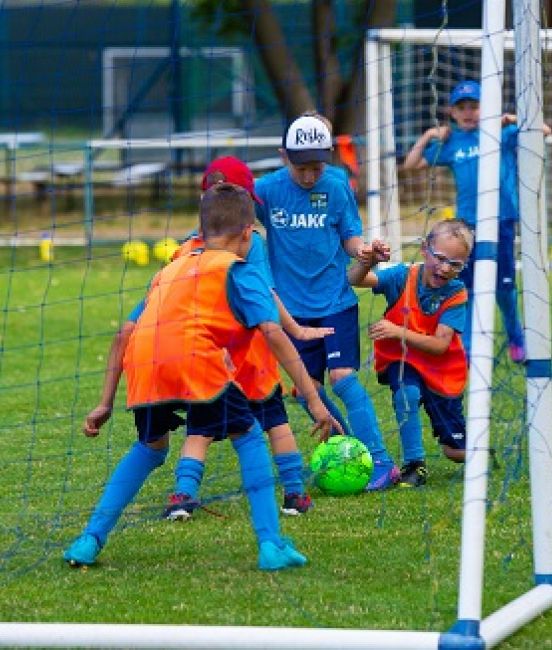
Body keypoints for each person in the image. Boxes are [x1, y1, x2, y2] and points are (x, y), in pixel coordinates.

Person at [63, 183, 337, 571]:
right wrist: (313, 400)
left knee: (150, 447)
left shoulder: (169, 270)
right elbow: (273, 333)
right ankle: (272, 544)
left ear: (202, 231)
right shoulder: (238, 270)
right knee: (249, 436)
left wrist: (105, 402)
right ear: (248, 235)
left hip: (143, 363)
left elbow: (124, 332)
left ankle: (89, 539)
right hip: (194, 361)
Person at [162, 156, 347, 520]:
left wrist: (295, 328)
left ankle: (183, 497)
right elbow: (263, 295)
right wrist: (294, 336)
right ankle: (294, 493)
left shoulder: (187, 248)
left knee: (200, 429)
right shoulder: (252, 243)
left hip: (208, 358)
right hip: (252, 358)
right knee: (275, 423)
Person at [254, 113, 400, 491]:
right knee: (307, 390)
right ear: (283, 155)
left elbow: (350, 236)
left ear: (329, 156)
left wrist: (365, 250)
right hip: (291, 310)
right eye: (301, 167)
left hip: (335, 301)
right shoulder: (266, 190)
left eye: (316, 166)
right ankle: (348, 451)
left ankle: (382, 460)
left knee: (343, 378)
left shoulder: (336, 185)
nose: (308, 176)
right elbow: (232, 218)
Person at [403, 80, 551, 363]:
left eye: (474, 106)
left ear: (486, 108)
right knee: (466, 286)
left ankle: (516, 337)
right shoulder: (452, 144)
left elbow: (544, 131)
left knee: (503, 286)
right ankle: (468, 347)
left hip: (501, 220)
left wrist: (511, 118)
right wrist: (429, 135)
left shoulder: (502, 133)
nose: (469, 112)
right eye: (462, 108)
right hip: (467, 227)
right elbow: (411, 164)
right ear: (453, 113)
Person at [348, 219, 473, 487]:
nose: (444, 268)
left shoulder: (457, 293)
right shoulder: (402, 276)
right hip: (402, 360)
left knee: (456, 452)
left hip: (442, 371)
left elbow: (440, 345)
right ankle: (414, 465)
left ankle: (478, 450)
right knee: (407, 393)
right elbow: (356, 279)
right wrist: (367, 261)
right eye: (439, 258)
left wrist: (397, 332)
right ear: (425, 249)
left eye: (455, 264)